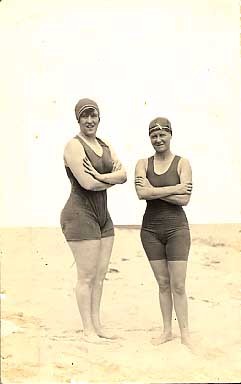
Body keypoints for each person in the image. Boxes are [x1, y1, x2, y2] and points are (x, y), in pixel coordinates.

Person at [60, 98, 127, 343]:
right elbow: (87, 184)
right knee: (86, 276)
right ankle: (87, 330)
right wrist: (112, 178)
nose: (90, 120)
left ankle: (97, 325)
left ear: (99, 118)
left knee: (99, 276)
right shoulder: (73, 146)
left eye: (93, 115)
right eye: (84, 116)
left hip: (103, 216)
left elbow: (125, 174)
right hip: (79, 215)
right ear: (78, 119)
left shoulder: (105, 144)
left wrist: (100, 174)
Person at [135, 117, 192, 347]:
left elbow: (185, 199)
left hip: (177, 229)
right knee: (162, 283)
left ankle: (185, 333)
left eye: (162, 135)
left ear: (170, 135)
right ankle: (167, 331)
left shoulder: (182, 163)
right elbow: (141, 194)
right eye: (153, 136)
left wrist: (153, 190)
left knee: (178, 285)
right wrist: (174, 188)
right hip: (150, 230)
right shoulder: (142, 164)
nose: (158, 139)